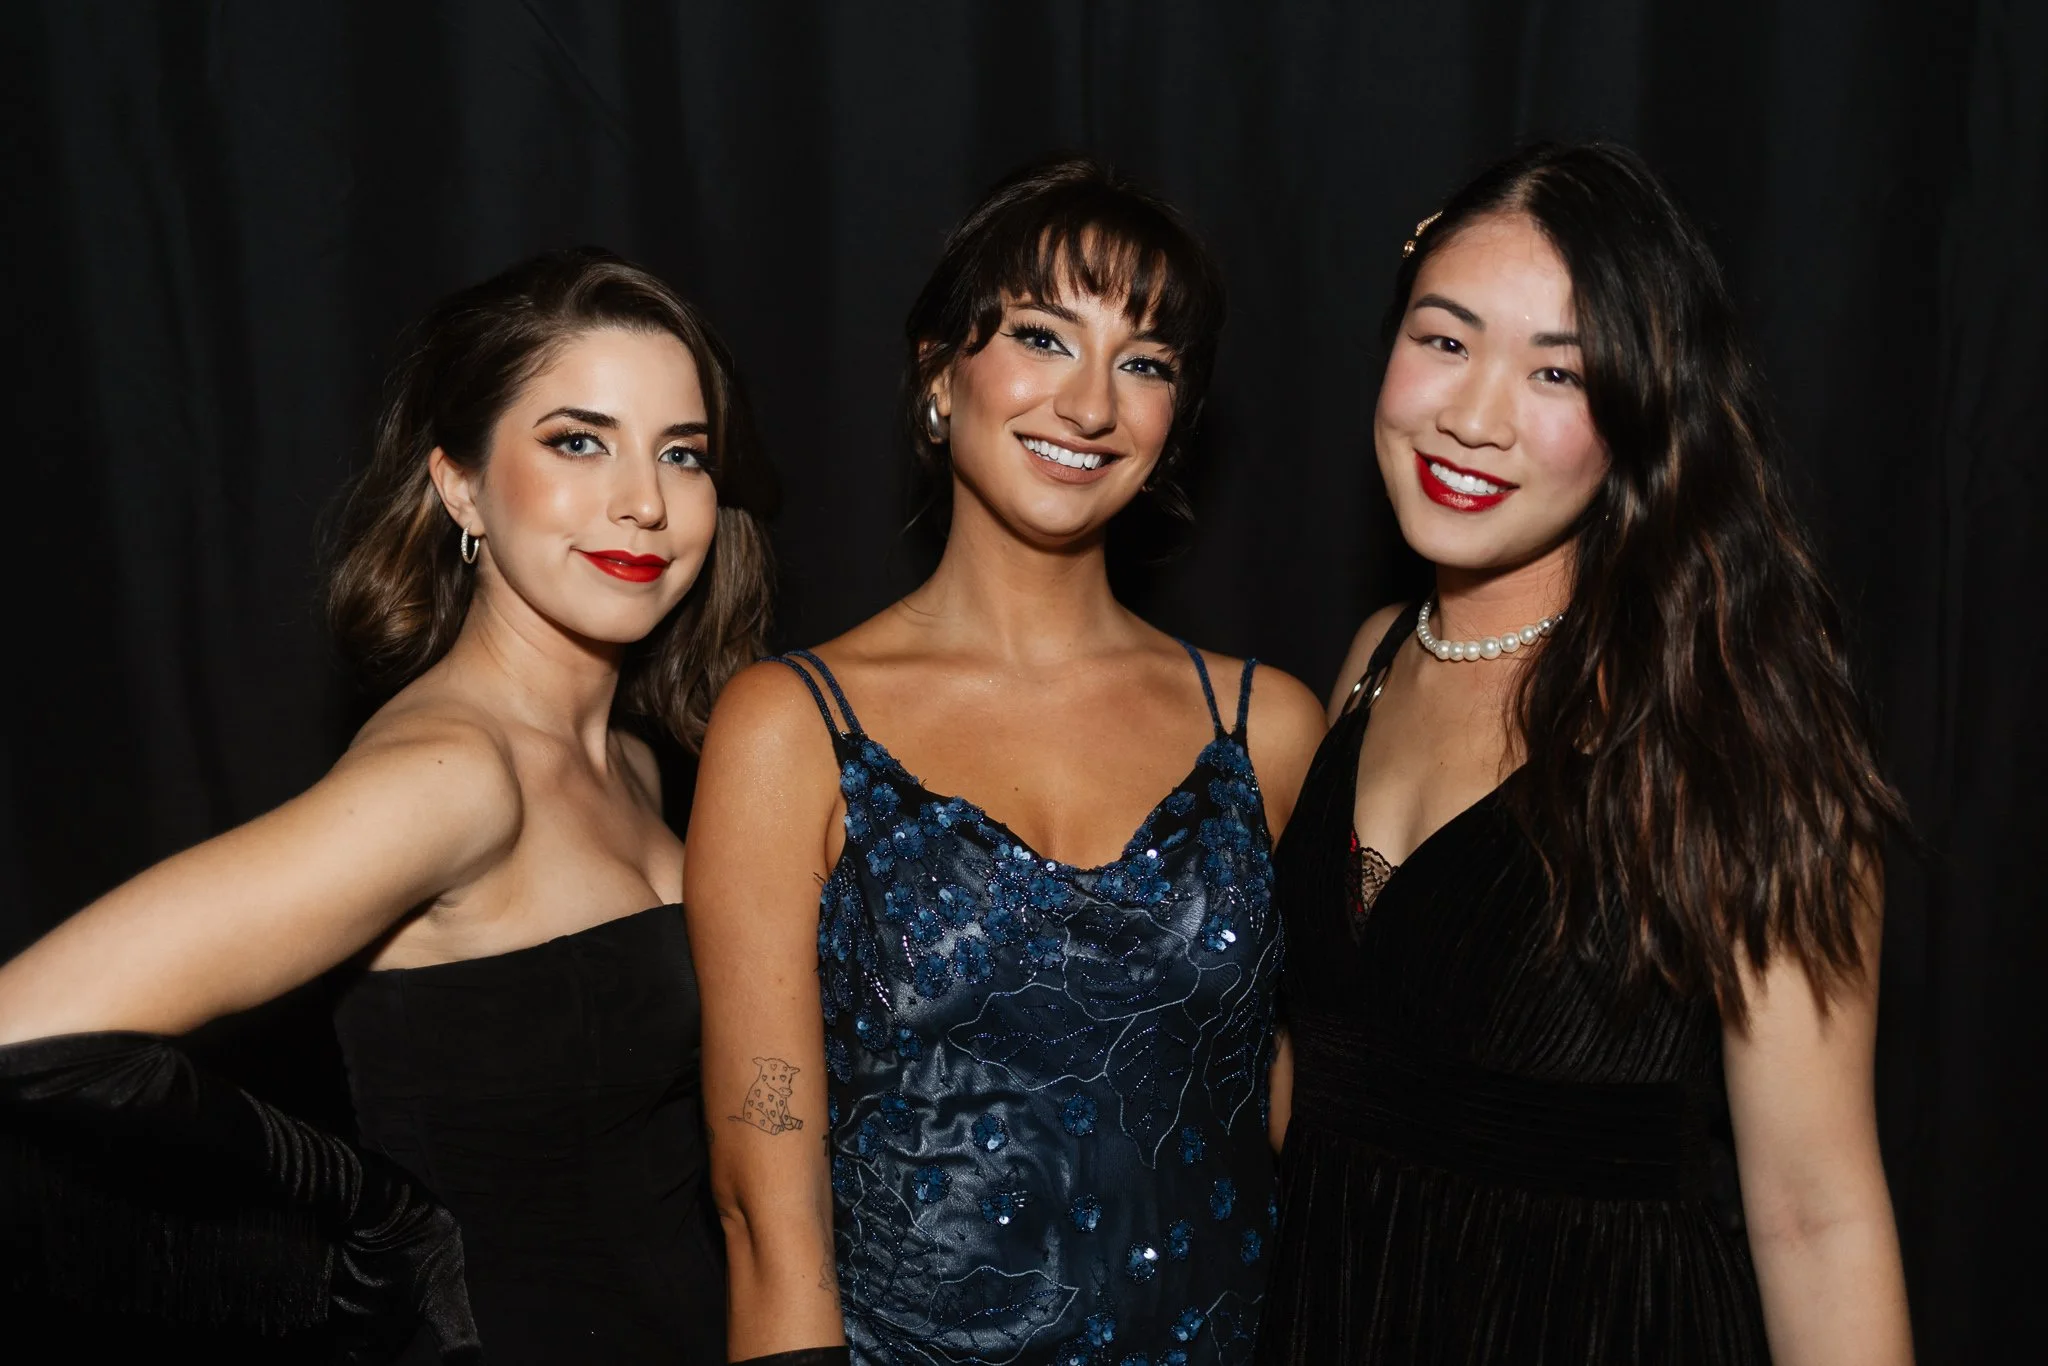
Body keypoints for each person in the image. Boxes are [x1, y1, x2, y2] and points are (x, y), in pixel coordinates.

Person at [0, 247, 776, 1363]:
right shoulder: (450, 775)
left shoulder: (632, 763)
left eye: (681, 453)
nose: (644, 501)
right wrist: (377, 1220)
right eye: (577, 441)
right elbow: (31, 1028)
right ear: (460, 485)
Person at [1255, 142, 1914, 1365]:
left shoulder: (1723, 728)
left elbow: (1815, 1217)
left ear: (1643, 413)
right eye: (1442, 340)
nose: (1471, 416)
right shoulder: (1369, 663)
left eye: (1555, 371)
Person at [687, 156, 1326, 1365]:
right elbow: (766, 1214)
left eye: (1144, 362)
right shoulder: (790, 728)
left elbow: (1323, 1129)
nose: (1089, 404)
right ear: (939, 373)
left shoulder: (1270, 729)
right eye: (1041, 336)